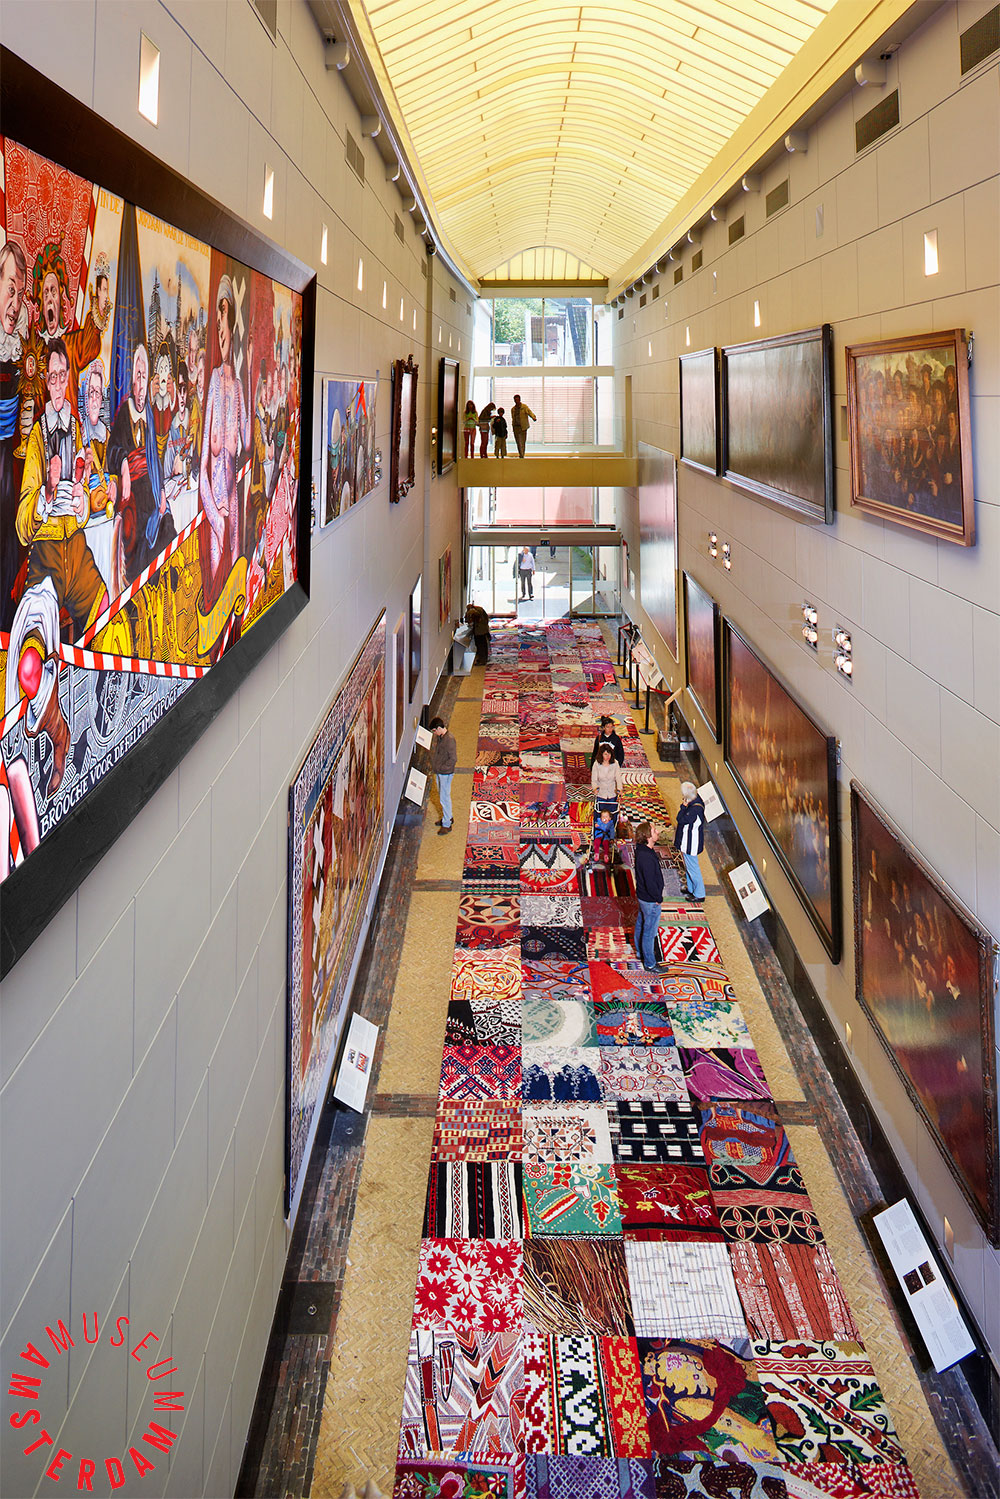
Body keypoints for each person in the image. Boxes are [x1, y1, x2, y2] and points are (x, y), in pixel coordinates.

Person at [634, 820, 665, 970]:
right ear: (647, 836)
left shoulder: (642, 850)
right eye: (654, 831)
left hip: (643, 897)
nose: (657, 832)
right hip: (650, 899)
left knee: (641, 923)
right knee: (649, 931)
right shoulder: (646, 857)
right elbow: (650, 881)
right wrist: (658, 898)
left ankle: (641, 952)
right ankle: (650, 963)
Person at [674, 781, 706, 903]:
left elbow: (680, 819)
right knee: (689, 866)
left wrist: (683, 806)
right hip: (690, 840)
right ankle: (692, 889)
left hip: (690, 842)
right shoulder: (698, 801)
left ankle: (699, 893)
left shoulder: (694, 810)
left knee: (693, 868)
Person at [429, 715, 457, 834]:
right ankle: (448, 817)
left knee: (444, 798)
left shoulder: (449, 740)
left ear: (439, 728)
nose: (434, 733)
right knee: (443, 796)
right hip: (441, 772)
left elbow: (453, 759)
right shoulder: (442, 737)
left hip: (445, 773)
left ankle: (447, 824)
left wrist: (441, 768)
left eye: (435, 731)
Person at [591, 743, 623, 814]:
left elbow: (618, 778)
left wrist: (619, 789)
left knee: (612, 814)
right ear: (601, 754)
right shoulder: (596, 764)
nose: (608, 756)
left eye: (609, 753)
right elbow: (594, 780)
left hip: (612, 793)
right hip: (601, 794)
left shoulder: (615, 763)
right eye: (605, 754)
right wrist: (595, 788)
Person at [510, 393, 536, 457]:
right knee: (518, 442)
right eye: (515, 400)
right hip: (516, 427)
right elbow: (513, 417)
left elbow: (529, 412)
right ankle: (520, 454)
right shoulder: (513, 409)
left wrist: (533, 417)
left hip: (523, 427)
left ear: (519, 400)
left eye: (517, 400)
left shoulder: (524, 407)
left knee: (522, 441)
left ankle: (522, 454)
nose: (516, 401)